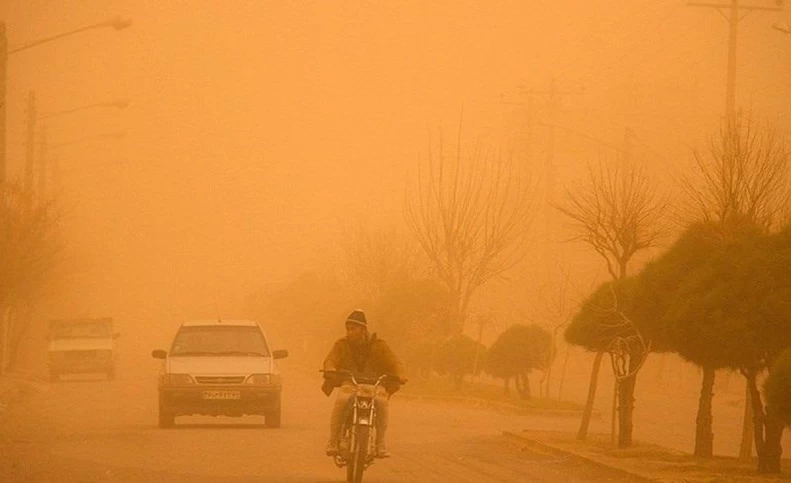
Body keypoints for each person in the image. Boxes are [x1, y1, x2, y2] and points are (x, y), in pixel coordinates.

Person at [322, 309, 406, 458]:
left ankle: (380, 444)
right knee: (341, 401)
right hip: (350, 382)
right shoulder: (341, 344)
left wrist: (400, 374)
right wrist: (330, 368)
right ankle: (333, 441)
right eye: (348, 329)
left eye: (353, 329)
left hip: (375, 384)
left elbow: (394, 362)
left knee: (381, 402)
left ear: (363, 329)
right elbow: (331, 359)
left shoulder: (380, 345)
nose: (349, 333)